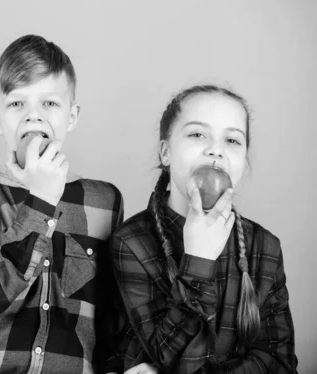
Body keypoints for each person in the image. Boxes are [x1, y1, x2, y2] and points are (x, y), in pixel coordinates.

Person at [0, 34, 123, 373]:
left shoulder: (104, 202)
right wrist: (40, 201)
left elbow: (111, 316)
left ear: (72, 116)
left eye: (50, 104)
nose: (33, 117)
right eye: (16, 104)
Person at [110, 85, 297, 373]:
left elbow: (280, 363)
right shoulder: (131, 243)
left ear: (244, 162)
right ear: (165, 152)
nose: (216, 150)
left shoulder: (265, 247)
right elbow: (173, 359)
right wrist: (198, 261)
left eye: (232, 140)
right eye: (197, 134)